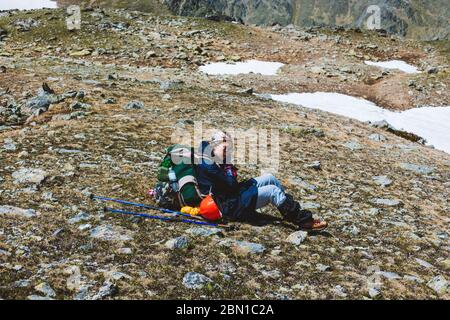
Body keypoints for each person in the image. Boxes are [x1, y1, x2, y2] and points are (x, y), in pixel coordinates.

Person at [196, 131, 327, 231]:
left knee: (270, 177)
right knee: (272, 191)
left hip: (231, 196)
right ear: (215, 144)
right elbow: (230, 183)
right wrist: (228, 166)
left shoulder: (212, 156)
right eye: (225, 149)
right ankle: (302, 221)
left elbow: (231, 185)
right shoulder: (209, 164)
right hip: (227, 206)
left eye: (230, 149)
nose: (228, 152)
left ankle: (288, 208)